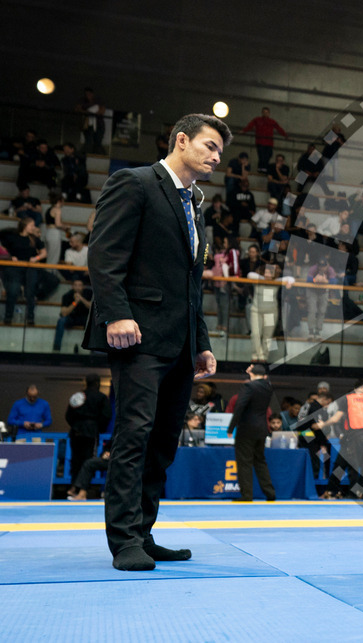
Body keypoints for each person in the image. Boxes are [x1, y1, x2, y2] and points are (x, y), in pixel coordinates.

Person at [83, 113, 227, 571]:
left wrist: (200, 340)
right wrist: (117, 313)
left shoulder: (193, 204)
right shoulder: (136, 183)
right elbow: (104, 254)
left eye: (220, 151)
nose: (215, 156)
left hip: (179, 341)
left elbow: (191, 284)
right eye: (208, 145)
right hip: (137, 334)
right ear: (180, 140)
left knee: (164, 441)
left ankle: (143, 533)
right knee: (134, 436)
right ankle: (123, 540)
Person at [227, 364, 275, 502]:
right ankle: (270, 493)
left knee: (244, 462)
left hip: (247, 428)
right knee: (260, 461)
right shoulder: (268, 387)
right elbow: (261, 377)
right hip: (262, 428)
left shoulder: (249, 387)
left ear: (252, 374)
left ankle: (247, 495)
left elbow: (239, 407)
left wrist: (231, 428)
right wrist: (252, 372)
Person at [65, 374, 111, 483]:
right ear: (98, 383)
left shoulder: (77, 396)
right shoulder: (101, 397)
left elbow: (68, 416)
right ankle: (81, 488)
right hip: (91, 432)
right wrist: (98, 427)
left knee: (75, 459)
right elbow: (106, 415)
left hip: (76, 431)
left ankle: (73, 487)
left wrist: (76, 425)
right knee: (88, 460)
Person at [241, 107, 288, 174]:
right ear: (262, 113)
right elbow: (250, 126)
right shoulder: (257, 120)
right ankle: (262, 168)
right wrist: (243, 131)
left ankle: (263, 168)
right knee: (262, 156)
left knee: (268, 155)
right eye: (264, 112)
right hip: (260, 141)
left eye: (267, 112)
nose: (265, 114)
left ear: (269, 113)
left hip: (269, 143)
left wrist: (285, 135)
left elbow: (279, 128)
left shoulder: (272, 121)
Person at [53, 277, 93, 351]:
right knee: (61, 321)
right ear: (72, 286)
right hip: (71, 318)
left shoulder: (89, 293)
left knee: (93, 321)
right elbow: (64, 313)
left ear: (83, 287)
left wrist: (81, 299)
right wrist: (75, 302)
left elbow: (92, 308)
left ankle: (93, 350)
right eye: (75, 285)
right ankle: (56, 348)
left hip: (84, 318)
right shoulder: (67, 296)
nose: (77, 287)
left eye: (79, 285)